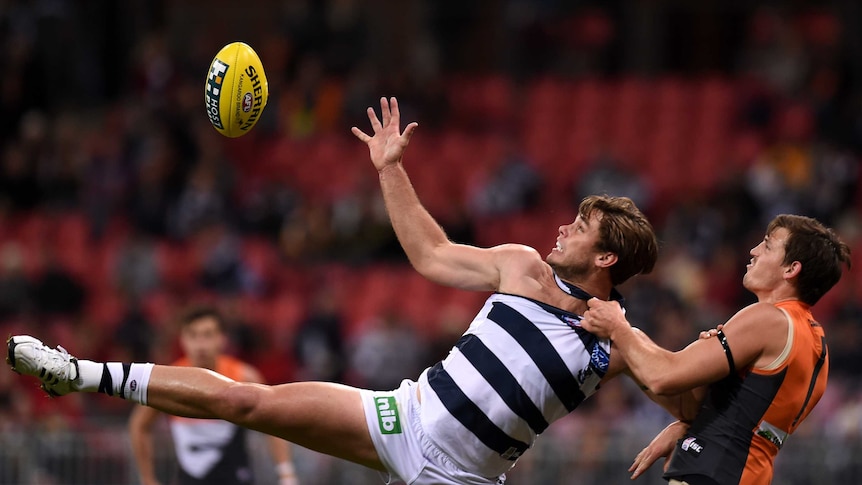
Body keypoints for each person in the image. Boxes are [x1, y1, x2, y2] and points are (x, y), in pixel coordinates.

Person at [7, 97, 685, 485]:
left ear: (605, 254)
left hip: (464, 478)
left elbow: (687, 388)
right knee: (247, 397)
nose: (561, 227)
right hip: (404, 416)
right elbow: (430, 251)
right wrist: (390, 169)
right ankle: (79, 371)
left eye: (580, 227)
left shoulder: (615, 335)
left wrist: (678, 419)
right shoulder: (520, 265)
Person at [581, 214, 851, 485]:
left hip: (713, 473)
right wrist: (690, 425)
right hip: (742, 475)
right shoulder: (816, 344)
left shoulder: (768, 319)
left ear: (791, 269)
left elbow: (662, 377)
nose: (754, 250)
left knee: (626, 344)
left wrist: (619, 326)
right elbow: (750, 421)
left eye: (768, 245)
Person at [128, 306, 300, 485]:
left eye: (208, 335)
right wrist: (147, 478)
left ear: (222, 339)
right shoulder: (169, 382)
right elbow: (139, 425)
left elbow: (272, 424)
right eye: (193, 335)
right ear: (182, 340)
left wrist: (286, 474)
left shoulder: (243, 376)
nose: (200, 344)